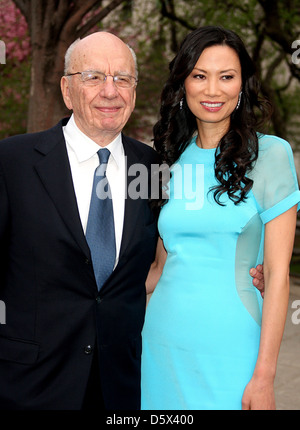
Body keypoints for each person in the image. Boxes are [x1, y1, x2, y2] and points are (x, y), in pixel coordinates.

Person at [0, 30, 264, 410]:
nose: (111, 91)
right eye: (93, 77)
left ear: (134, 91)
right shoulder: (12, 163)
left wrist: (256, 266)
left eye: (122, 78)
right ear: (66, 89)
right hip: (26, 386)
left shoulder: (154, 169)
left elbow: (174, 254)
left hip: (123, 386)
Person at [141, 25, 300, 410]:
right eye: (199, 76)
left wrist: (264, 376)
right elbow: (159, 269)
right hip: (161, 341)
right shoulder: (165, 160)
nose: (213, 90)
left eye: (226, 77)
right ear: (184, 84)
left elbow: (278, 278)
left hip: (234, 347)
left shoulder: (272, 155)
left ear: (242, 84)